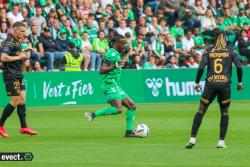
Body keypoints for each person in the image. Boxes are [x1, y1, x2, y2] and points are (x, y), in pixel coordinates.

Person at [185, 29, 243, 149]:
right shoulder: (232, 51)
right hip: (225, 85)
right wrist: (240, 82)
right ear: (225, 38)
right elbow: (239, 66)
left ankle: (192, 139)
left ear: (214, 38)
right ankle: (221, 142)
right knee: (225, 112)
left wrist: (196, 82)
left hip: (210, 84)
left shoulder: (208, 50)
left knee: (201, 110)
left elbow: (201, 67)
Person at [85, 35, 140, 137]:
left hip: (116, 85)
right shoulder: (110, 54)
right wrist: (115, 65)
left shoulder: (117, 52)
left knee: (132, 106)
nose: (125, 45)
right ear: (117, 44)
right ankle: (92, 114)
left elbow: (122, 61)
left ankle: (129, 132)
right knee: (118, 109)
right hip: (109, 84)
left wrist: (127, 53)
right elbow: (101, 70)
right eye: (123, 44)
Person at [0, 22, 38, 138]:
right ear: (14, 31)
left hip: (17, 73)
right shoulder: (10, 41)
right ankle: (0, 124)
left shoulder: (17, 42)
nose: (24, 33)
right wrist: (20, 57)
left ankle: (24, 127)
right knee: (15, 101)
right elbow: (3, 57)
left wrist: (26, 50)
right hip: (10, 74)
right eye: (21, 31)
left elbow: (16, 52)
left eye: (24, 31)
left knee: (22, 99)